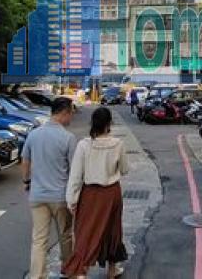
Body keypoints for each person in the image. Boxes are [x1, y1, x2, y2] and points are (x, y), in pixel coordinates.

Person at [63, 107, 129, 279]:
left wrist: (71, 200)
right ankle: (113, 269)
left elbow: (76, 175)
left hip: (90, 194)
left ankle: (81, 271)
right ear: (109, 124)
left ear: (92, 123)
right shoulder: (118, 144)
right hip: (112, 193)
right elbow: (125, 169)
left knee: (86, 230)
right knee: (113, 231)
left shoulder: (84, 145)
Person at [21, 97, 77, 279]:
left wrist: (27, 181)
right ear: (64, 112)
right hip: (60, 197)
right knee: (65, 236)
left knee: (39, 239)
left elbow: (25, 161)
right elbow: (74, 170)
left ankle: (37, 275)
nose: (72, 117)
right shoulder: (68, 138)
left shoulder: (34, 134)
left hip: (37, 196)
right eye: (71, 113)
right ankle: (69, 271)